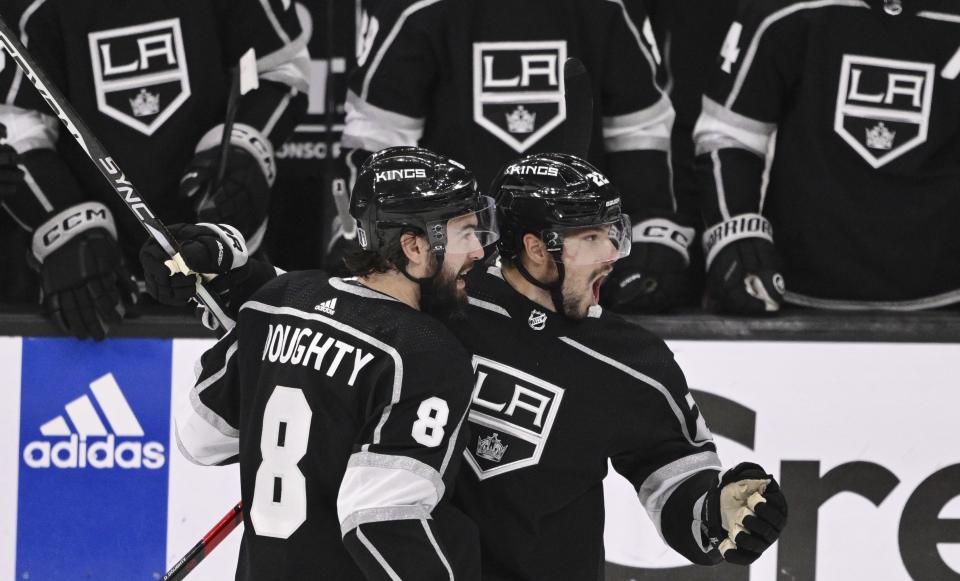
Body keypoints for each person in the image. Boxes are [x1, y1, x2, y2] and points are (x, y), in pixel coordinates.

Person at [143, 152, 787, 580]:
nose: (616, 254)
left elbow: (674, 481)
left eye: (614, 233)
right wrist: (231, 268)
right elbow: (348, 304)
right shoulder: (446, 302)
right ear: (538, 248)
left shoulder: (633, 364)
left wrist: (716, 512)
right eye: (595, 237)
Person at [150, 147, 499, 580]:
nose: (480, 251)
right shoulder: (427, 352)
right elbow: (382, 518)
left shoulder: (279, 300)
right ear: (413, 245)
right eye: (465, 233)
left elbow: (200, 438)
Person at [338, 0, 698, 312]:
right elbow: (378, 141)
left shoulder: (608, 7)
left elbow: (640, 133)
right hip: (455, 268)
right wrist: (378, 237)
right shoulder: (416, 9)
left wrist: (650, 233)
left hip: (575, 265)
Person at [0, 0, 309, 339]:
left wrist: (245, 150)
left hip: (220, 247)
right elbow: (16, 127)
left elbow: (281, 69)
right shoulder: (33, 9)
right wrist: (64, 226)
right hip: (97, 278)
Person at [693, 0, 960, 312]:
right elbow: (729, 135)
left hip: (947, 298)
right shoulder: (784, 11)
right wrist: (735, 235)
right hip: (796, 293)